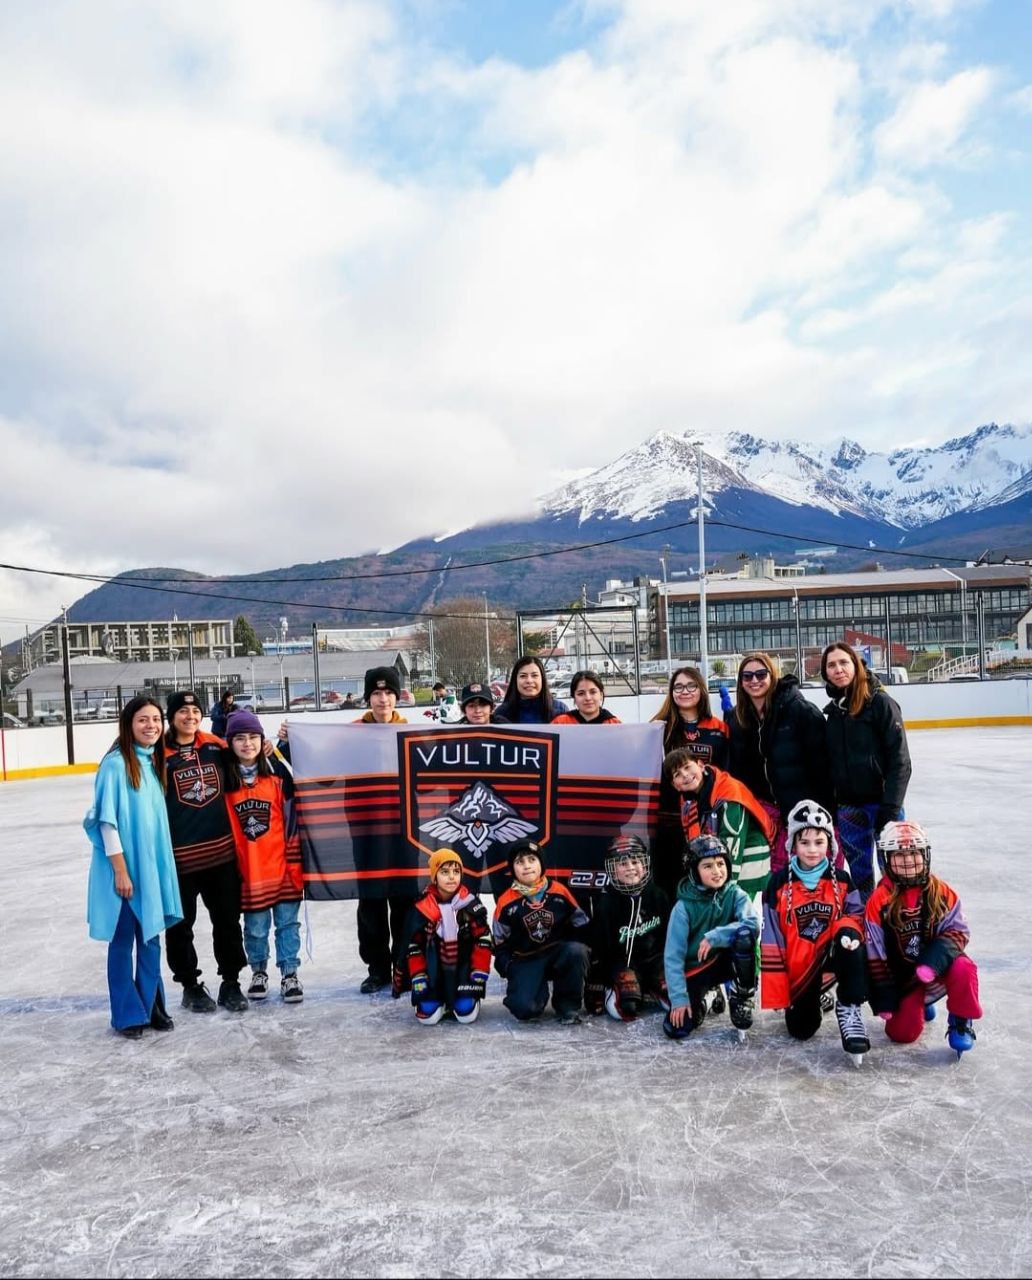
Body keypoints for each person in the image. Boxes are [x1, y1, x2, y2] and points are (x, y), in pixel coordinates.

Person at [85, 697, 183, 1039]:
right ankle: (128, 1014)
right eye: (143, 719)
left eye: (156, 719)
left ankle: (151, 1005)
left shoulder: (153, 762)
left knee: (151, 939)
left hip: (150, 868)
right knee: (123, 940)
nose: (151, 726)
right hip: (125, 870)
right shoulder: (115, 765)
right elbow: (107, 822)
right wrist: (121, 871)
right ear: (128, 724)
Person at [761, 799, 870, 1059]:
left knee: (852, 942)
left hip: (831, 956)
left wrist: (847, 930)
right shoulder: (778, 883)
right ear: (793, 845)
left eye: (819, 842)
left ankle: (849, 1005)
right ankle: (814, 996)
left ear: (829, 844)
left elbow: (856, 915)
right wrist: (779, 990)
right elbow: (771, 937)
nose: (812, 850)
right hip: (799, 969)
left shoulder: (841, 879)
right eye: (805, 843)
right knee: (801, 1030)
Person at [162, 691, 249, 1013]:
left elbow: (249, 759)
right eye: (183, 711)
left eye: (195, 710)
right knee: (179, 926)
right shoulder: (158, 753)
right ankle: (190, 985)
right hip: (179, 860)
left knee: (227, 921)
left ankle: (231, 982)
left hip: (220, 857)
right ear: (172, 717)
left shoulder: (216, 746)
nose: (190, 716)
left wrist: (272, 744)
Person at [866, 821, 981, 1057]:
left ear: (925, 855)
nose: (908, 860)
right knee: (903, 1035)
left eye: (914, 853)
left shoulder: (942, 892)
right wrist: (884, 997)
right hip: (905, 978)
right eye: (899, 855)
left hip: (938, 969)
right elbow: (875, 952)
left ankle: (961, 1019)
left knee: (964, 967)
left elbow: (959, 932)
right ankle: (920, 1002)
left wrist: (931, 963)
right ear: (887, 859)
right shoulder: (879, 900)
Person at [223, 709, 304, 1004]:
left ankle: (290, 973)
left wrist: (294, 864)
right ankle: (259, 972)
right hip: (250, 871)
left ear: (262, 740)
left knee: (287, 925)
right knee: (255, 929)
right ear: (229, 743)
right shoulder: (224, 781)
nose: (247, 744)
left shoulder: (277, 775)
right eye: (239, 738)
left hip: (282, 867)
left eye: (253, 737)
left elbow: (293, 820)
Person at [725, 653, 832, 876]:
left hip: (803, 812)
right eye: (747, 676)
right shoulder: (738, 720)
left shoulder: (800, 711)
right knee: (776, 879)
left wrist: (823, 813)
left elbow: (823, 768)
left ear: (772, 675)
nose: (754, 680)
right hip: (765, 815)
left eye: (760, 674)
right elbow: (736, 772)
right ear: (741, 682)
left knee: (812, 876)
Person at [821, 641, 912, 902]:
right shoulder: (834, 713)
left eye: (843, 662)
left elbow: (901, 762)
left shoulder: (880, 703)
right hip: (849, 808)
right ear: (825, 673)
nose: (838, 669)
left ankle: (897, 920)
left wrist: (890, 809)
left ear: (856, 665)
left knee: (895, 872)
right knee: (860, 877)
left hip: (883, 805)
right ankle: (868, 920)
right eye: (831, 665)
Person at [353, 666, 416, 993]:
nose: (383, 699)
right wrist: (288, 741)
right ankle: (377, 968)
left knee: (405, 898)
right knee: (372, 899)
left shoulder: (411, 732)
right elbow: (321, 773)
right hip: (365, 828)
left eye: (389, 692)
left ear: (397, 696)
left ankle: (403, 966)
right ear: (368, 698)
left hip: (404, 827)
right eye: (376, 693)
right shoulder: (351, 733)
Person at [663, 835, 758, 1041]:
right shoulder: (683, 908)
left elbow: (752, 924)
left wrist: (716, 936)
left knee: (744, 936)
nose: (717, 871)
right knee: (678, 1028)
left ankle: (741, 998)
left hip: (724, 961)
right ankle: (709, 994)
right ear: (694, 871)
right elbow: (673, 957)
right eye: (707, 866)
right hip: (697, 968)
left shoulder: (735, 894)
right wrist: (679, 999)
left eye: (720, 864)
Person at [652, 666, 730, 898]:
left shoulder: (718, 728)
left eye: (691, 685)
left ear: (701, 689)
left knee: (705, 883)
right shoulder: (659, 728)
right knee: (671, 883)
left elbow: (727, 773)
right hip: (669, 821)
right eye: (678, 687)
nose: (684, 691)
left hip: (707, 819)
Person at [493, 839, 590, 1024]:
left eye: (532, 859)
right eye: (520, 862)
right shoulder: (506, 902)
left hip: (557, 955)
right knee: (525, 1009)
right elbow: (499, 942)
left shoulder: (559, 891)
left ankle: (567, 1005)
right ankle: (533, 994)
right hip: (526, 960)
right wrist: (508, 967)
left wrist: (577, 949)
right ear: (513, 869)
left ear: (541, 863)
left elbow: (581, 923)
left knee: (576, 951)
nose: (527, 866)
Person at [391, 848, 493, 1025]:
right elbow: (413, 946)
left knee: (466, 1015)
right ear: (434, 876)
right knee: (428, 1018)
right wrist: (418, 974)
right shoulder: (421, 907)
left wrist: (479, 969)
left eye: (456, 872)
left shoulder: (470, 904)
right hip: (432, 972)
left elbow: (483, 938)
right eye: (445, 872)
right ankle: (436, 998)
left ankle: (465, 997)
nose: (452, 877)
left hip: (463, 970)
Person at [666, 748, 777, 900]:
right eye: (677, 774)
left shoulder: (728, 792)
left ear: (700, 765)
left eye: (687, 767)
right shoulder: (688, 800)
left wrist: (724, 895)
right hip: (721, 869)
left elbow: (732, 845)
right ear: (675, 785)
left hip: (749, 871)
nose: (685, 775)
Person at [587, 835, 669, 1021]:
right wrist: (600, 981)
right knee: (626, 1009)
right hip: (623, 964)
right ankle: (619, 990)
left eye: (635, 862)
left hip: (655, 962)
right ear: (613, 870)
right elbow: (601, 948)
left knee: (675, 1001)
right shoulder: (606, 903)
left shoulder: (659, 896)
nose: (631, 868)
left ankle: (651, 986)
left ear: (645, 865)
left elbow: (667, 938)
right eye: (623, 864)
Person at [496, 656, 568, 724]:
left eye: (534, 675)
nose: (529, 681)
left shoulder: (560, 710)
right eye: (523, 676)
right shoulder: (502, 713)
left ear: (542, 679)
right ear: (515, 680)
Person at [550, 670, 621, 724]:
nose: (588, 698)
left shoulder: (614, 725)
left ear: (601, 695)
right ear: (574, 697)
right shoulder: (560, 723)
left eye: (593, 692)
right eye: (581, 693)